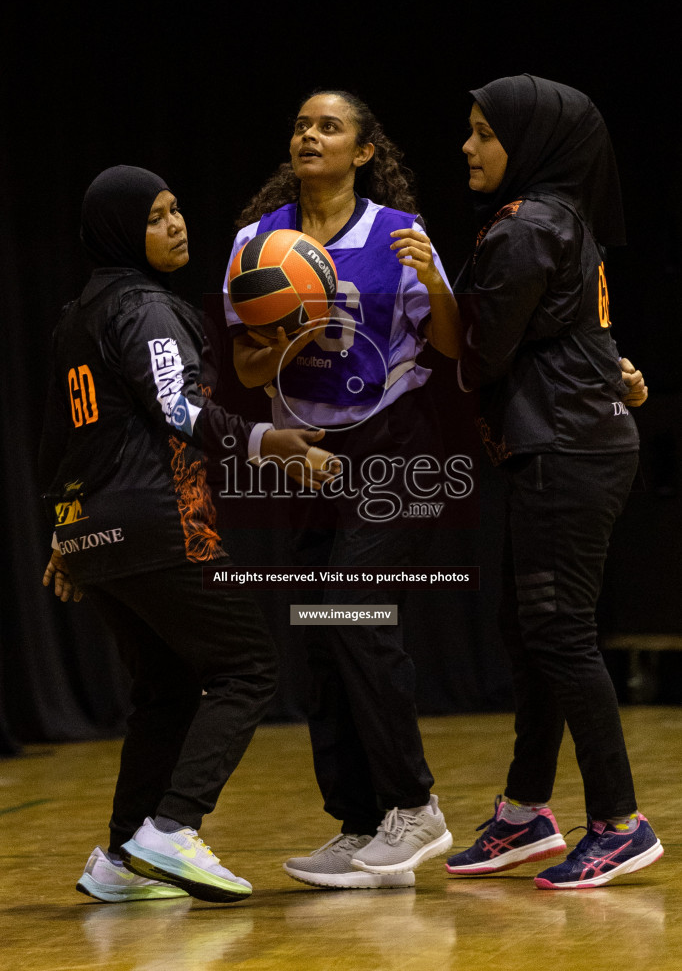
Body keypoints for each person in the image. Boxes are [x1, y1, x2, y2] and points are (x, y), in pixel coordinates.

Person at [40, 165, 331, 904]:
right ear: (120, 231)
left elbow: (58, 445)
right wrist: (271, 441)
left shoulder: (77, 315)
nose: (176, 225)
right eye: (156, 217)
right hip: (158, 523)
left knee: (165, 687)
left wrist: (65, 533)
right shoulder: (144, 307)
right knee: (247, 668)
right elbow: (179, 410)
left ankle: (119, 858)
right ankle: (172, 831)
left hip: (91, 530)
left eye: (176, 210)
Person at [222, 90, 460, 889]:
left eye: (329, 126)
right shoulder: (258, 243)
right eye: (300, 124)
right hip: (308, 452)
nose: (309, 134)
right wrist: (288, 333)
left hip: (391, 444)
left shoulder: (400, 234)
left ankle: (415, 807)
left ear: (363, 151)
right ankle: (362, 825)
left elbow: (452, 345)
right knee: (321, 637)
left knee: (355, 610)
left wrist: (439, 281)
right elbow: (248, 369)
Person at [445, 75, 662, 889]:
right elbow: (571, 338)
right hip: (570, 445)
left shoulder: (527, 227)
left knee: (560, 634)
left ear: (529, 143)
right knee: (529, 631)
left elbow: (479, 358)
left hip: (567, 452)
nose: (468, 148)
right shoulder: (558, 221)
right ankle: (526, 811)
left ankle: (620, 822)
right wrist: (620, 375)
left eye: (483, 133)